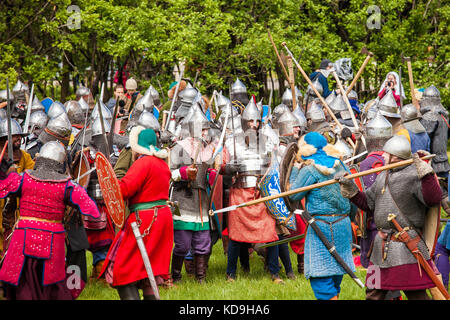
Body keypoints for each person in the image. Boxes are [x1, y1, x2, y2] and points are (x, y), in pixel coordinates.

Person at [337, 135, 442, 300]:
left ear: (396, 156)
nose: (383, 157)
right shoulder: (382, 175)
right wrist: (351, 190)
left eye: (386, 154)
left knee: (416, 294)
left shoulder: (414, 174)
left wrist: (426, 174)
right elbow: (368, 204)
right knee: (372, 293)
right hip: (380, 247)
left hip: (407, 245)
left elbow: (433, 200)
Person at [0, 141, 100, 300]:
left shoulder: (24, 179)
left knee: (23, 282)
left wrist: (6, 173)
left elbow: (4, 187)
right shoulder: (66, 186)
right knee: (51, 287)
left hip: (24, 236)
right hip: (53, 239)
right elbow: (90, 208)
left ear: (40, 160)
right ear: (60, 163)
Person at [99, 128, 173, 300]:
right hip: (160, 218)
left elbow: (124, 189)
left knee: (121, 267)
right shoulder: (162, 163)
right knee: (149, 270)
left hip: (145, 220)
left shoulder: (143, 163)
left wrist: (111, 181)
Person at [288, 131, 356, 300]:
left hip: (321, 227)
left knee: (321, 278)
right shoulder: (340, 165)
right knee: (334, 277)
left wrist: (295, 171)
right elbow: (353, 194)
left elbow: (293, 195)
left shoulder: (310, 170)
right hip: (343, 225)